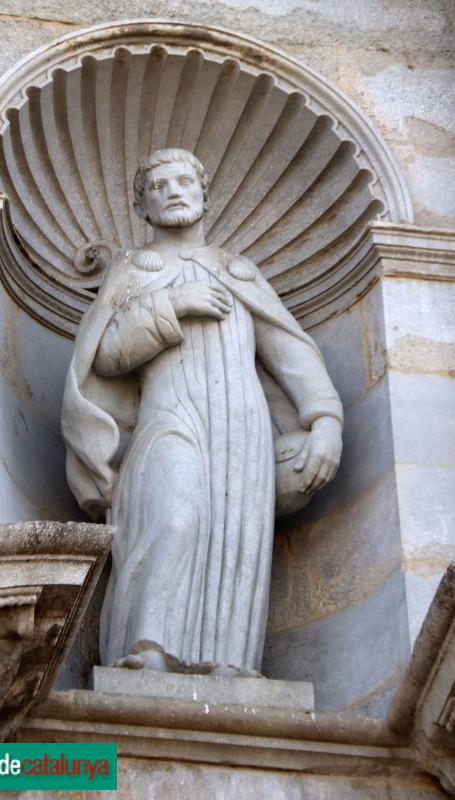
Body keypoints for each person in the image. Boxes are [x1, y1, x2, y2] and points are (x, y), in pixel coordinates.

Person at [62, 149, 343, 676]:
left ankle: (229, 661)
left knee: (235, 532)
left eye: (184, 180)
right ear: (141, 204)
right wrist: (175, 303)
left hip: (242, 424)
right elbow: (105, 353)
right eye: (159, 184)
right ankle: (147, 647)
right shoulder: (134, 268)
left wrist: (325, 419)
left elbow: (289, 350)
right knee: (175, 517)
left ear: (204, 193)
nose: (173, 190)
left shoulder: (238, 271)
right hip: (171, 416)